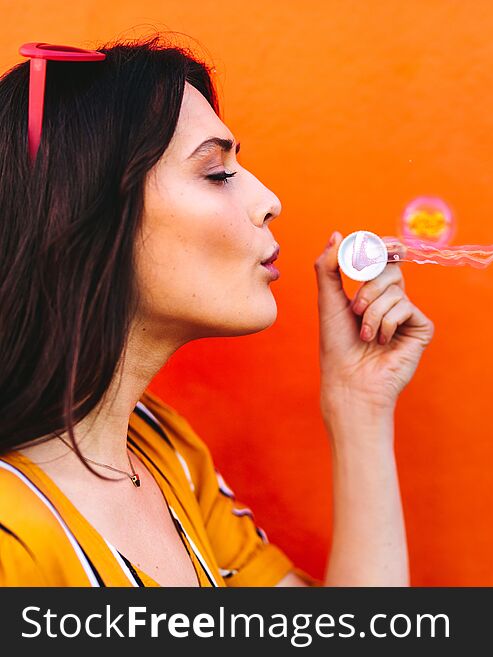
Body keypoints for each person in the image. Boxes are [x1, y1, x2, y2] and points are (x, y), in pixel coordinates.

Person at [0, 36, 434, 587]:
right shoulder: (13, 542)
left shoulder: (164, 450)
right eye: (217, 173)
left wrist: (359, 405)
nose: (269, 200)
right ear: (85, 216)